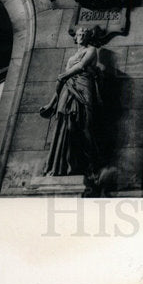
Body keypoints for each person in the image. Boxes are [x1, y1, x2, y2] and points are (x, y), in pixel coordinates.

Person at [39, 27, 102, 176]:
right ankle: (65, 166)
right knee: (66, 126)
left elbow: (81, 66)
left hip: (84, 88)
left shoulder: (92, 50)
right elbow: (62, 83)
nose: (81, 36)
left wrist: (64, 75)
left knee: (86, 126)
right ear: (76, 37)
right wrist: (51, 103)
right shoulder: (70, 58)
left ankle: (91, 165)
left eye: (84, 34)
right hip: (68, 90)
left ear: (88, 37)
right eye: (79, 34)